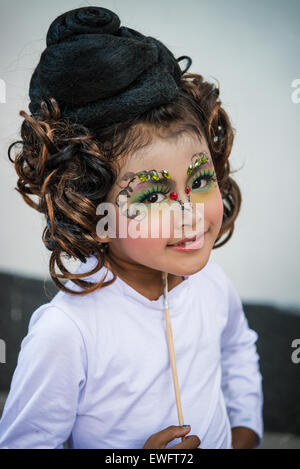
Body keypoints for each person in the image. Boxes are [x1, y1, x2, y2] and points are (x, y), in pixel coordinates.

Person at [0, 6, 263, 449]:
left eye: (200, 180)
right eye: (153, 195)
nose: (189, 213)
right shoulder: (66, 333)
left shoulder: (212, 284)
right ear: (86, 206)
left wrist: (245, 431)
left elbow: (238, 348)